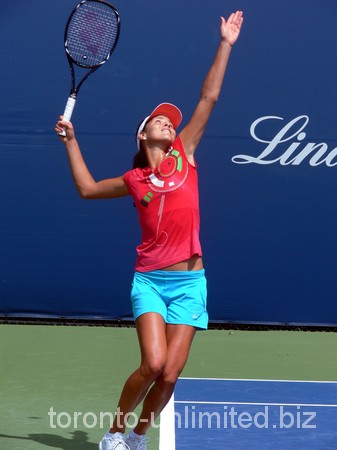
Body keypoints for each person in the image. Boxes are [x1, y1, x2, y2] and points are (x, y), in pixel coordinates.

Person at [55, 10, 243, 450]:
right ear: (142, 136)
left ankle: (139, 435)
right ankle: (116, 429)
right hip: (152, 282)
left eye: (169, 120)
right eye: (158, 120)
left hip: (192, 281)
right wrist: (71, 141)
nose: (167, 122)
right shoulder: (134, 180)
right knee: (153, 363)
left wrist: (226, 44)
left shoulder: (185, 153)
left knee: (172, 373)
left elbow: (209, 97)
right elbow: (87, 188)